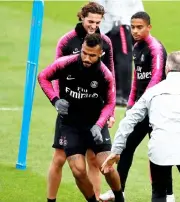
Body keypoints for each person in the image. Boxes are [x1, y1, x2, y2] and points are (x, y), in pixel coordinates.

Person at [101, 51, 180, 202]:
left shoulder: (151, 93)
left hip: (159, 149)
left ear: (166, 69)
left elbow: (128, 121)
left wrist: (116, 150)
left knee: (159, 192)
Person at [38, 34, 125, 202]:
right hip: (70, 124)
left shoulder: (105, 75)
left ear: (100, 54)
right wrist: (55, 100)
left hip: (94, 124)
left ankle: (119, 197)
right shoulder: (66, 63)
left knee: (106, 167)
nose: (86, 58)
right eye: (84, 53)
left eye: (92, 55)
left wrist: (99, 125)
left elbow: (110, 103)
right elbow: (43, 77)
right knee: (78, 170)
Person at [48, 2, 115, 201]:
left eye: (97, 22)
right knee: (59, 158)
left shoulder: (105, 43)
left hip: (94, 110)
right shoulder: (67, 41)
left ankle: (95, 198)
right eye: (90, 21)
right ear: (81, 18)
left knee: (94, 160)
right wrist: (58, 101)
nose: (93, 26)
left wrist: (110, 113)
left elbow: (110, 77)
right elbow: (55, 74)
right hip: (69, 112)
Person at [99, 11, 169, 202]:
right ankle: (117, 192)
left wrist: (141, 104)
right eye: (133, 27)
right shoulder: (137, 47)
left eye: (140, 27)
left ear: (149, 27)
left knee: (160, 153)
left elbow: (155, 78)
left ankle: (167, 195)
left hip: (158, 110)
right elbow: (137, 81)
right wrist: (131, 106)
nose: (136, 31)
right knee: (126, 148)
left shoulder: (156, 48)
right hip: (140, 109)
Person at [94, 0, 144, 106]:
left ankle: (118, 93)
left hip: (114, 24)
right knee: (117, 58)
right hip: (114, 24)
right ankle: (119, 94)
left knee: (117, 58)